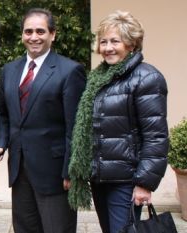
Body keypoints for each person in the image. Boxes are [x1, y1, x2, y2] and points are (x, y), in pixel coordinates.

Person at [68, 11, 168, 233]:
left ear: (132, 44)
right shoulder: (99, 78)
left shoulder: (147, 77)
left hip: (126, 180)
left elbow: (156, 137)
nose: (107, 47)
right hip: (100, 178)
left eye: (115, 41)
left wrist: (144, 183)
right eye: (103, 41)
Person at [0, 8, 86, 233]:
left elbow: (76, 127)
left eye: (40, 31)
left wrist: (71, 171)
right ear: (22, 35)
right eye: (28, 31)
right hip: (19, 170)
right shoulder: (10, 70)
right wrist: (1, 143)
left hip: (54, 174)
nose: (34, 37)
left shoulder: (70, 71)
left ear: (53, 34)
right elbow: (3, 113)